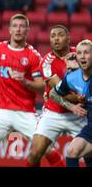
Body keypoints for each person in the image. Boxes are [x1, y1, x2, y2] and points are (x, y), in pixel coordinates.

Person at [0, 14, 65, 167]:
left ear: (27, 30)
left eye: (22, 26)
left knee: (45, 149)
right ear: (10, 29)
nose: (18, 29)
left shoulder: (33, 56)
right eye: (15, 26)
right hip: (1, 110)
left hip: (25, 111)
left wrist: (25, 81)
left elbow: (42, 85)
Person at [27, 25, 85, 166]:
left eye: (60, 35)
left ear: (68, 38)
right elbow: (61, 91)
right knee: (34, 153)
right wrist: (80, 97)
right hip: (54, 113)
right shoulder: (46, 62)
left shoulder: (81, 55)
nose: (56, 39)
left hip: (80, 114)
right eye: (53, 36)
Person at [49, 39, 92, 167]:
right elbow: (53, 93)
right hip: (90, 127)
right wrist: (72, 107)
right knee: (72, 151)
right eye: (79, 53)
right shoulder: (72, 77)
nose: (82, 56)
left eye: (87, 53)